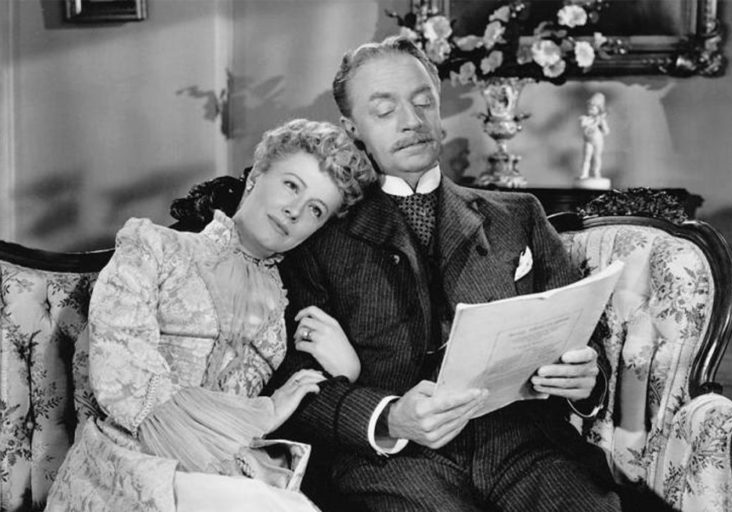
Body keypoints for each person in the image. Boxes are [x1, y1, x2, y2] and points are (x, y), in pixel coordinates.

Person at [273, 37, 678, 512]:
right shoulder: (319, 235)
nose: (411, 121)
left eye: (423, 102)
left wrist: (585, 379)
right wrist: (389, 417)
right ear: (353, 128)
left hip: (526, 450)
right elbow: (294, 383)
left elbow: (582, 340)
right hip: (393, 463)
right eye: (384, 111)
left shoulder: (518, 215)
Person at [45, 118, 377, 512]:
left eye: (316, 210)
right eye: (291, 185)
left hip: (221, 476)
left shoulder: (285, 304)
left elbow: (304, 403)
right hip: (128, 469)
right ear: (256, 176)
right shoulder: (154, 247)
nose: (294, 211)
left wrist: (348, 370)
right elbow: (123, 382)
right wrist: (263, 414)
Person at [578, 92, 610, 180]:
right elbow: (583, 124)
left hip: (598, 141)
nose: (590, 109)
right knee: (586, 157)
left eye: (593, 107)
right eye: (589, 107)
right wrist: (595, 121)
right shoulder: (585, 118)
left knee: (597, 157)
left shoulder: (601, 119)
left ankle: (596, 173)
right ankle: (584, 173)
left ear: (599, 109)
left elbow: (606, 132)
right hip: (588, 140)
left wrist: (602, 123)